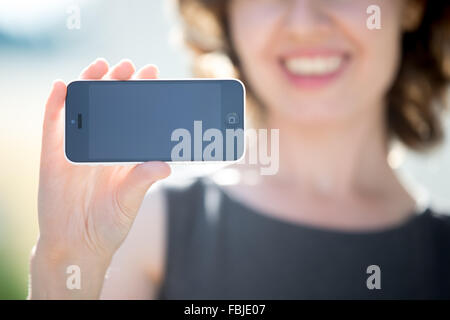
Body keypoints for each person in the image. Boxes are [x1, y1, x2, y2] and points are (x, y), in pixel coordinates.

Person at [29, 0, 450, 299]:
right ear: (227, 14)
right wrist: (65, 261)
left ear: (412, 6)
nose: (304, 22)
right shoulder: (144, 226)